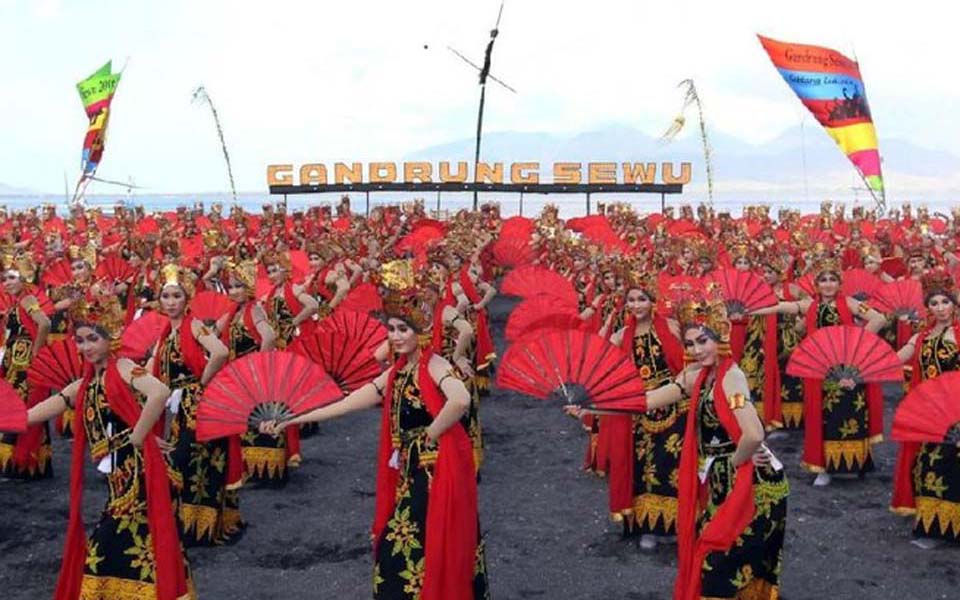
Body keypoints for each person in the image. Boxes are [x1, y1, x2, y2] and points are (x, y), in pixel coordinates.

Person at [262, 259, 490, 599]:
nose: (395, 336)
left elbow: (459, 401)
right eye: (392, 329)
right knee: (412, 549)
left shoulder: (435, 365)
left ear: (421, 332)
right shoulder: (396, 373)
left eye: (403, 329)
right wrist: (292, 419)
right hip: (414, 472)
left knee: (402, 549)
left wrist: (428, 436)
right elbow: (347, 402)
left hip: (435, 475)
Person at [20, 293, 195, 599]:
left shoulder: (124, 367)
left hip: (141, 475)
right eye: (79, 340)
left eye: (92, 339)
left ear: (110, 336)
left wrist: (139, 436)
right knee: (134, 547)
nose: (85, 347)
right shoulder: (87, 382)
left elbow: (159, 392)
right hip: (120, 478)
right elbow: (46, 409)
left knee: (111, 544)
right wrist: (12, 419)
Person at [643, 290, 789, 600]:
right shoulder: (700, 375)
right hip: (723, 479)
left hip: (750, 484)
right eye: (690, 343)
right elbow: (649, 401)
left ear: (720, 336)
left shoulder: (731, 378)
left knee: (720, 560)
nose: (696, 349)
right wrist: (594, 407)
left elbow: (753, 433)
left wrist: (734, 463)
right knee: (717, 556)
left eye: (703, 341)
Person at [149, 264, 240, 546]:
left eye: (177, 296)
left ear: (186, 298)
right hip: (178, 407)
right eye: (166, 297)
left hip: (196, 405)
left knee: (191, 463)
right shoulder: (166, 331)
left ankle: (199, 528)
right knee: (185, 464)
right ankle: (188, 526)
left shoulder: (194, 325)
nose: (171, 302)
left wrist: (199, 382)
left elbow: (221, 351)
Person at [606, 273, 684, 549]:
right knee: (642, 467)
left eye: (642, 299)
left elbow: (689, 362)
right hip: (637, 410)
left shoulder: (672, 327)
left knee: (671, 465)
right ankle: (648, 527)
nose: (636, 305)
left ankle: (676, 524)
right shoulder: (619, 336)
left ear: (653, 302)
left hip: (673, 405)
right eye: (631, 300)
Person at [891, 271, 960, 548]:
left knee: (949, 464)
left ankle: (946, 528)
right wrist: (863, 367)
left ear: (954, 304)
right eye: (935, 303)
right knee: (927, 463)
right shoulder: (921, 337)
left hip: (955, 410)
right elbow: (895, 359)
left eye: (945, 302)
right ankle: (933, 526)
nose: (941, 308)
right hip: (929, 412)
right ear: (927, 306)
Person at [217, 259, 297, 486]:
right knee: (244, 418)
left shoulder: (255, 309)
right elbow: (216, 332)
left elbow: (269, 336)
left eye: (239, 286)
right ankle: (248, 467)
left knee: (259, 416)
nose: (234, 291)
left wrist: (258, 365)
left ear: (249, 287)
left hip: (251, 373)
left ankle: (266, 472)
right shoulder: (234, 310)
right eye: (231, 287)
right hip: (237, 373)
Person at [0, 254, 53, 480]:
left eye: (12, 278)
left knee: (20, 406)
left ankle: (19, 462)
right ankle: (22, 462)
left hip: (23, 363)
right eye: (5, 279)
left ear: (24, 279)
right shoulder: (19, 300)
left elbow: (45, 323)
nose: (7, 282)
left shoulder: (27, 299)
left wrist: (35, 352)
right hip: (15, 359)